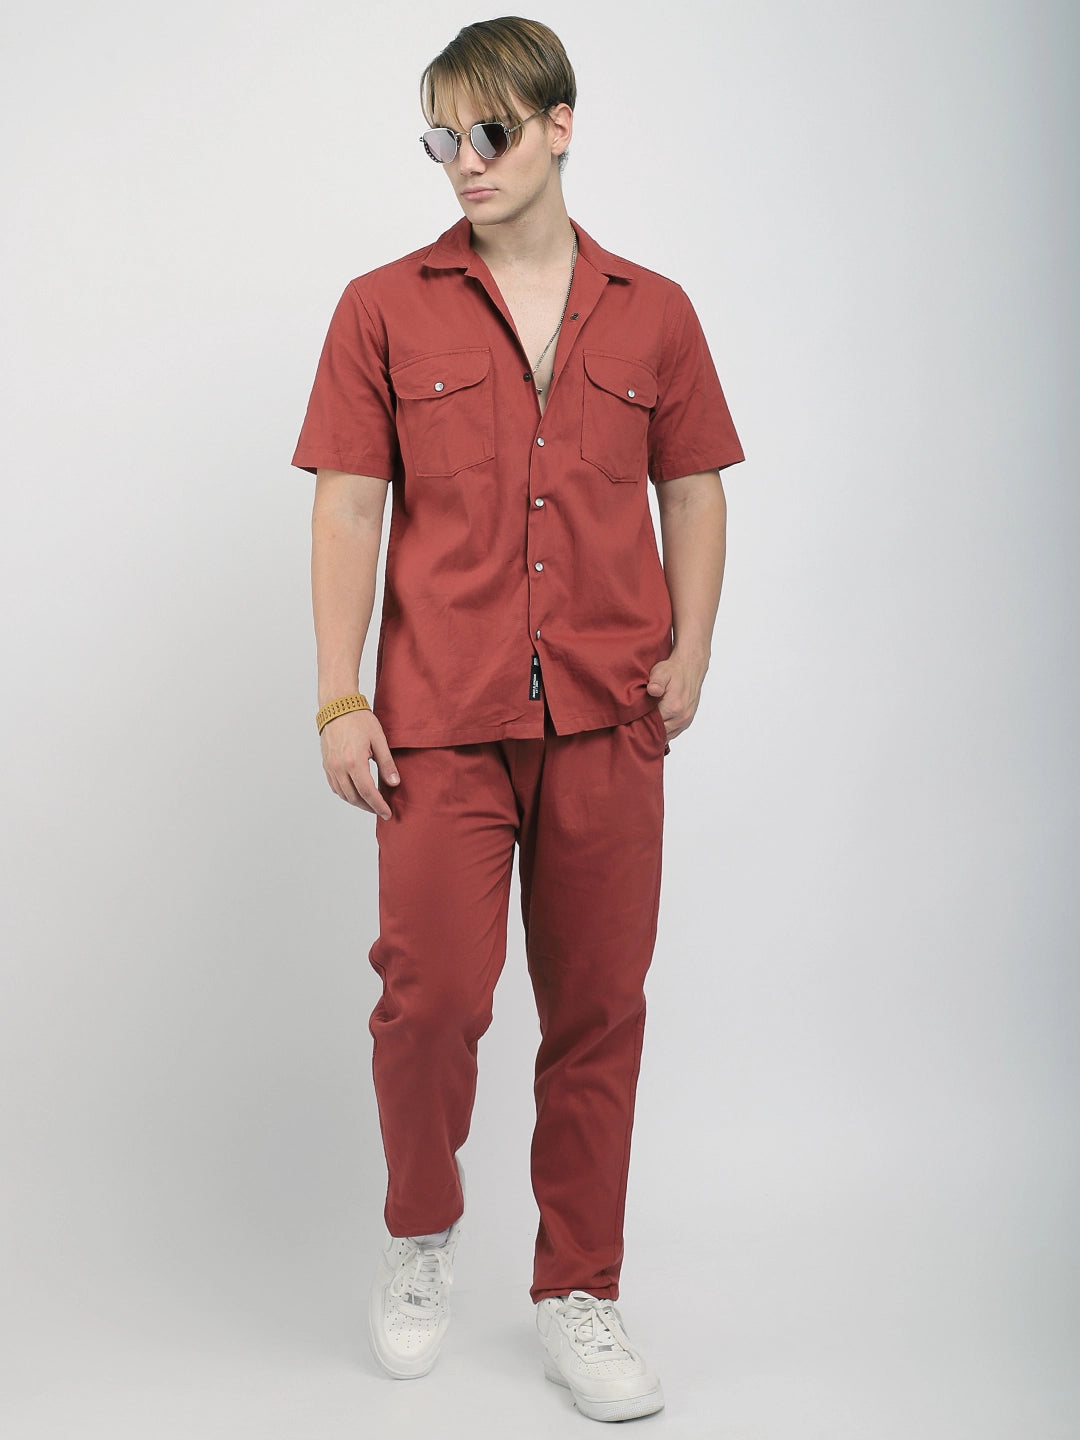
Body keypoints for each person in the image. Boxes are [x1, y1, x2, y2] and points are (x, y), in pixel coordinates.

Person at [292, 15, 743, 1424]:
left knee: (599, 1010)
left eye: (488, 131)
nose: (464, 162)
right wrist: (341, 694)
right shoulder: (383, 306)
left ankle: (577, 1292)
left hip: (610, 714)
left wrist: (693, 650)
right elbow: (350, 504)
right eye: (442, 137)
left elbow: (696, 487)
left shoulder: (654, 311)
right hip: (439, 715)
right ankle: (420, 1236)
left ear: (560, 126)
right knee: (431, 998)